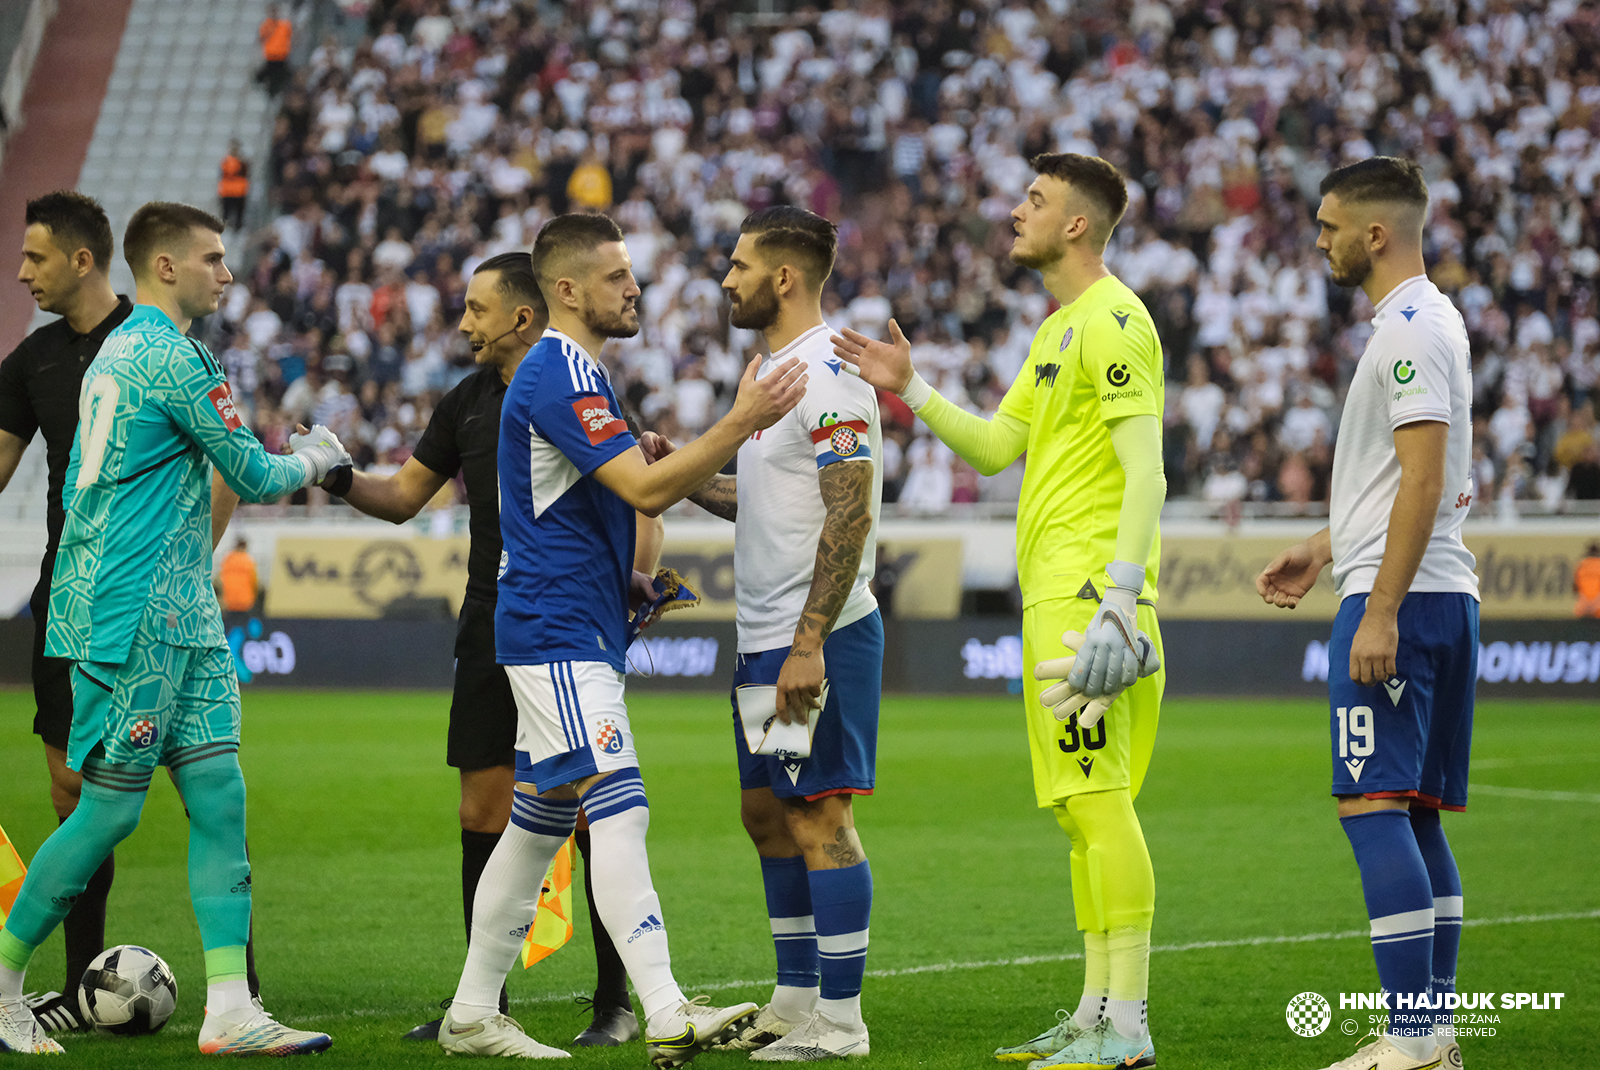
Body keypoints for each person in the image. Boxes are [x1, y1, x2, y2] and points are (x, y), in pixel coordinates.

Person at [436, 212, 806, 1062]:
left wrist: (627, 578)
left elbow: (585, 502)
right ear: (565, 290)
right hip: (557, 635)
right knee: (622, 810)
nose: (632, 287)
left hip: (571, 623)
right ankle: (668, 1011)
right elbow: (643, 487)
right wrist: (741, 418)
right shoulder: (558, 374)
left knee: (536, 825)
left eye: (630, 273)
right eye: (614, 277)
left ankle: (469, 1012)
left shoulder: (576, 371)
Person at [833, 153, 1165, 1070]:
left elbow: (1149, 471)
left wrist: (1121, 603)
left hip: (1091, 602)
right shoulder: (1059, 329)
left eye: (1035, 200)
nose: (1015, 211)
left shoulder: (1115, 320)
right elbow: (993, 448)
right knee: (1079, 816)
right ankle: (1097, 1012)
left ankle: (1127, 1026)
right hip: (1058, 595)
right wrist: (912, 385)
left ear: (1076, 226)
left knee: (1099, 808)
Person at [0, 201, 346, 1057]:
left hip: (178, 608)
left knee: (220, 798)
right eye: (214, 260)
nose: (227, 275)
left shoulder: (131, 352)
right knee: (107, 813)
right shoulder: (166, 354)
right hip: (127, 610)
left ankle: (231, 1005)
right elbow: (256, 474)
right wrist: (323, 458)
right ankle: (1, 981)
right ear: (165, 267)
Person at [328, 251, 643, 1046]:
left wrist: (637, 580)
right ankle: (484, 1001)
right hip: (489, 623)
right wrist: (334, 476)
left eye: (475, 309)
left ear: (523, 315)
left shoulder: (576, 389)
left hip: (565, 626)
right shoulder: (466, 401)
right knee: (483, 809)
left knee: (583, 805)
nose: (463, 323)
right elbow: (403, 497)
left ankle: (615, 1002)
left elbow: (635, 497)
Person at [643, 206, 882, 1060]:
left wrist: (810, 643)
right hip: (765, 633)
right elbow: (778, 503)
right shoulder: (774, 373)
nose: (726, 278)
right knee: (766, 814)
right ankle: (794, 996)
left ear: (784, 277)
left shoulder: (829, 371)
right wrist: (693, 479)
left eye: (740, 265)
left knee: (820, 815)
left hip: (814, 634)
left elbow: (850, 512)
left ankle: (842, 1023)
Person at [1256, 157, 1476, 1070]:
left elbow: (1423, 480)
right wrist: (1326, 543)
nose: (1320, 240)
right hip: (1438, 594)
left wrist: (1377, 605)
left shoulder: (1409, 332)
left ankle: (1414, 1038)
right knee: (1418, 814)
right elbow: (1402, 483)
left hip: (1405, 601)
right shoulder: (1426, 321)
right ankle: (1435, 1030)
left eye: (1328, 224)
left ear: (1374, 233)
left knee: (1375, 807)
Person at [0, 191, 133, 1035]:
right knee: (72, 791)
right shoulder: (31, 361)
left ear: (82, 259)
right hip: (67, 598)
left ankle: (246, 992)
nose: (22, 273)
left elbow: (220, 471)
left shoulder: (158, 345)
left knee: (205, 792)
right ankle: (83, 983)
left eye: (35, 258)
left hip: (152, 604)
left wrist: (185, 570)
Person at [257, 5, 292, 96]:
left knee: (281, 78)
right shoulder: (266, 25)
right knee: (271, 78)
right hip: (271, 56)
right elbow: (261, 39)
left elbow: (291, 38)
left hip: (282, 56)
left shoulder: (285, 25)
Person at [218, 536, 258, 613]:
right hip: (245, 600)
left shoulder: (227, 560)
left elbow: (221, 579)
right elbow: (254, 582)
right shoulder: (248, 561)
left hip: (229, 600)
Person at [218, 141, 250, 232]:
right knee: (229, 214)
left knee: (234, 214)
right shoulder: (236, 162)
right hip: (233, 191)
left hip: (236, 191)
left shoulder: (228, 161)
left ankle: (235, 229)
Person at [1574, 541, 1600, 618]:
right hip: (1597, 606)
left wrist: (1587, 603)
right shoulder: (1581, 565)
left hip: (1583, 607)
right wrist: (1594, 604)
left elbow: (1576, 588)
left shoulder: (1580, 565)